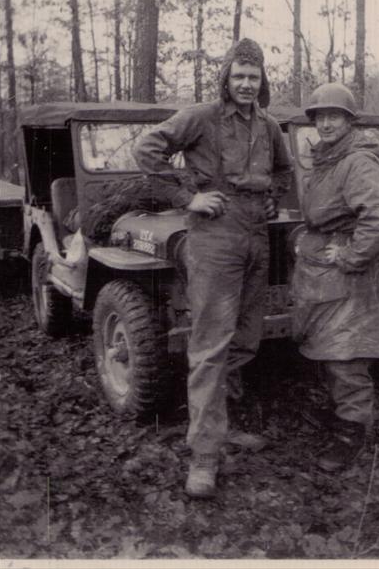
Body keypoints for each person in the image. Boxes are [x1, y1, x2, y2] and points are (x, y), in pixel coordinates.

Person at [134, 38, 292, 498]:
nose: (246, 84)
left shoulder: (269, 126)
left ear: (263, 81)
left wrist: (271, 202)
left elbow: (283, 173)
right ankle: (204, 455)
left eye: (254, 77)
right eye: (238, 76)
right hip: (214, 233)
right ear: (226, 78)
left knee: (247, 337)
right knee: (209, 345)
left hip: (256, 235)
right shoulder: (201, 117)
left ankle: (222, 424)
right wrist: (188, 198)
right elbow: (148, 150)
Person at [291, 82, 379, 473]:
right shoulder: (327, 160)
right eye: (320, 116)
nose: (326, 123)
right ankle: (341, 419)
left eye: (334, 115)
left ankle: (350, 435)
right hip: (322, 276)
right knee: (326, 351)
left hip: (345, 279)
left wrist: (352, 255)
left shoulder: (357, 162)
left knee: (346, 358)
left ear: (349, 120)